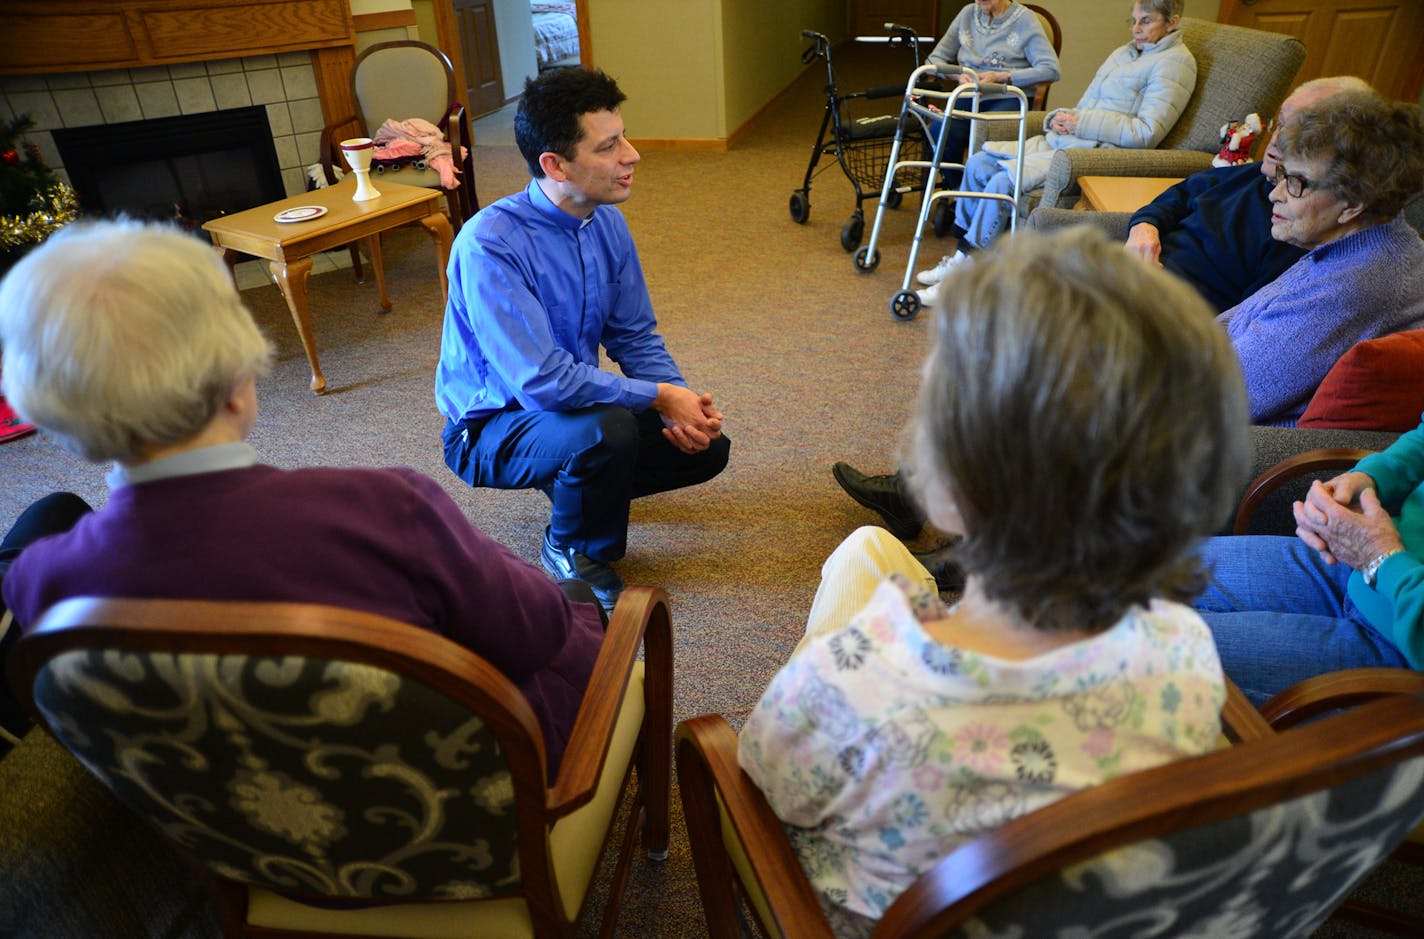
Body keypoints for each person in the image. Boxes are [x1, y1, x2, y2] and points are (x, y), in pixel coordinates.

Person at [739, 227, 1250, 935]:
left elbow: (763, 786)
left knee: (862, 558)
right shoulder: (1185, 646)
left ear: (955, 479)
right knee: (867, 552)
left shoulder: (848, 685)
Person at [0, 220, 604, 775]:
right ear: (237, 378)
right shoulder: (385, 508)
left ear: (53, 414)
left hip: (247, 844)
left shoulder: (38, 582)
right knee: (577, 603)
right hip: (477, 816)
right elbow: (534, 634)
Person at [436, 67, 730, 614]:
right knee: (607, 431)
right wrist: (658, 398)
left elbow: (634, 334)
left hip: (566, 411)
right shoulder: (490, 245)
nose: (633, 155)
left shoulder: (604, 221)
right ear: (555, 165)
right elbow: (543, 381)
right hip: (490, 426)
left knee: (706, 447)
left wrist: (680, 403)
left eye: (625, 137)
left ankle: (579, 486)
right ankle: (569, 546)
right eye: (610, 146)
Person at [917, 0, 1195, 300]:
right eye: (1133, 21)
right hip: (1069, 138)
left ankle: (967, 274)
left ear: (1172, 22)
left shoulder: (1175, 63)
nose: (1136, 30)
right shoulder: (1122, 54)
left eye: (1146, 21)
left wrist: (1080, 123)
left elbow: (1145, 132)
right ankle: (960, 260)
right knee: (980, 163)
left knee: (1001, 181)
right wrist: (1058, 119)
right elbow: (1085, 106)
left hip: (1095, 151)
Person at [1217, 90, 1424, 426]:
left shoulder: (1355, 285)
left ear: (1353, 204)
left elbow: (1222, 397)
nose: (1275, 193)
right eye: (1282, 175)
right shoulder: (1350, 248)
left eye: (1296, 183)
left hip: (1238, 448)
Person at [1195, 422, 1424, 706]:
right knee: (1143, 570)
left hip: (1401, 648)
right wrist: (1369, 478)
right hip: (1363, 568)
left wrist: (1381, 559)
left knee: (1144, 643)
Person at [1126, 76, 1373, 313]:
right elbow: (1181, 194)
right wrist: (1144, 227)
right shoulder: (1252, 173)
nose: (1276, 140)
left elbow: (1241, 326)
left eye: (1298, 133)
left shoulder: (1298, 227)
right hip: (1130, 277)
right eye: (1281, 124)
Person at [923, 0, 1061, 190]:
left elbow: (1051, 69)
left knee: (986, 133)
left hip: (1007, 96)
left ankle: (981, 196)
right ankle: (960, 192)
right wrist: (958, 75)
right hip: (969, 95)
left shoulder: (1025, 20)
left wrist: (1002, 76)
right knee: (940, 130)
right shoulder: (967, 14)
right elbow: (933, 59)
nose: (980, 1)